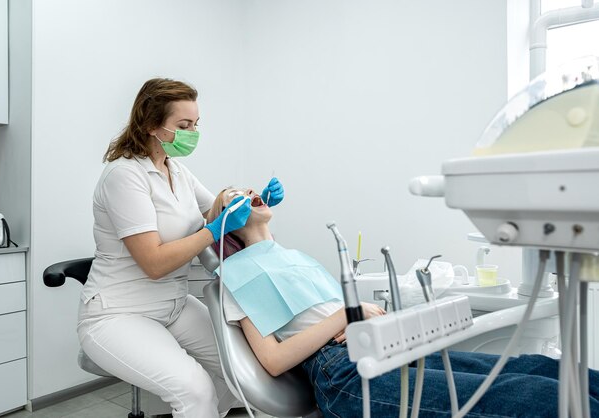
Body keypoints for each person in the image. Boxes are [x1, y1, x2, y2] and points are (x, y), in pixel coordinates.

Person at [206, 187, 599, 418]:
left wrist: (364, 320)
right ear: (226, 223)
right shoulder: (235, 275)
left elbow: (337, 319)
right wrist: (347, 314)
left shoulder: (293, 257)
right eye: (234, 197)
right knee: (539, 397)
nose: (248, 192)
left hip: (381, 346)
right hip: (344, 375)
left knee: (543, 368)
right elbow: (273, 360)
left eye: (247, 188)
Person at [76, 78, 284, 418]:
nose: (193, 132)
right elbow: (154, 262)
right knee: (195, 391)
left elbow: (217, 208)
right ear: (150, 125)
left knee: (245, 371)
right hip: (118, 314)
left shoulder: (178, 171)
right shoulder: (124, 176)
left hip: (171, 306)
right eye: (183, 125)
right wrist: (214, 230)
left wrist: (254, 200)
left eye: (196, 124)